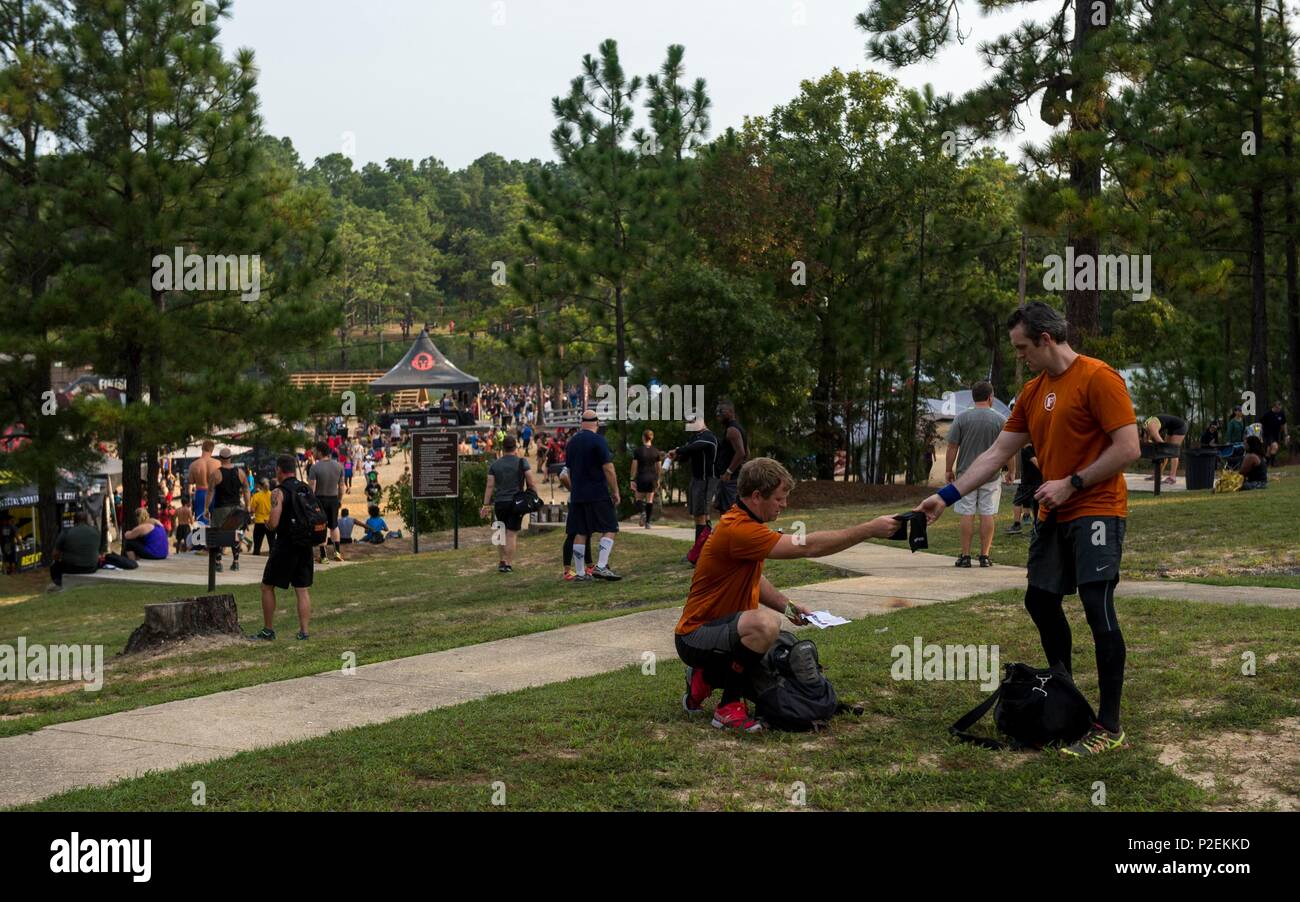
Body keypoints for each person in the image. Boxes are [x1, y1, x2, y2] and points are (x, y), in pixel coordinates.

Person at [915, 301, 1141, 757]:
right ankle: (1066, 693)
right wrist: (946, 496)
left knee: (1099, 609)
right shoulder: (1033, 393)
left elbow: (1128, 447)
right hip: (1053, 514)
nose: (1019, 357)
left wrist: (1072, 482)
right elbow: (996, 454)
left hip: (1096, 508)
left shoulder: (1099, 378)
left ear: (1046, 339)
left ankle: (1109, 726)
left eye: (1022, 348)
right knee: (1040, 599)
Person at [677, 457, 900, 731]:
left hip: (724, 631)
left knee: (779, 647)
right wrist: (868, 530)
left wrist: (788, 607)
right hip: (695, 636)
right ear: (757, 496)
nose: (784, 505)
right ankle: (727, 707)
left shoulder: (745, 522)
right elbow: (808, 547)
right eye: (780, 499)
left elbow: (755, 578)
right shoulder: (739, 530)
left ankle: (705, 678)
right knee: (765, 625)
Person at [945, 381, 1010, 566]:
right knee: (987, 513)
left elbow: (952, 446)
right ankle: (985, 556)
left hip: (966, 474)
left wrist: (948, 469)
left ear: (974, 397)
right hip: (991, 474)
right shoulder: (1000, 420)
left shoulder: (961, 418)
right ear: (991, 397)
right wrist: (1011, 470)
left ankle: (965, 556)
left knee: (967, 513)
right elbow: (1007, 448)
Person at [254, 454, 314, 641]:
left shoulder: (278, 492)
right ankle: (304, 632)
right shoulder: (305, 488)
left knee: (267, 586)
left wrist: (268, 525)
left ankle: (268, 630)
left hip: (286, 544)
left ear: (279, 470)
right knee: (302, 589)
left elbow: (274, 522)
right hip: (305, 545)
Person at [563, 410, 622, 581]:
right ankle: (602, 566)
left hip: (577, 494)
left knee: (580, 531)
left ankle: (581, 573)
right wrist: (616, 491)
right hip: (597, 492)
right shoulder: (599, 440)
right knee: (610, 527)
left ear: (581, 423)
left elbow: (568, 471)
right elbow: (608, 468)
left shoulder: (571, 442)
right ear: (596, 423)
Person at [481, 435, 540, 573]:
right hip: (516, 502)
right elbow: (531, 482)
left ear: (503, 448)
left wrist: (486, 505)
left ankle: (501, 561)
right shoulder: (522, 462)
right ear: (515, 447)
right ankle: (508, 564)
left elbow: (489, 486)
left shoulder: (495, 464)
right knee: (511, 533)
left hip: (500, 502)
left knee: (501, 531)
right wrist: (535, 497)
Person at [669, 417, 720, 559]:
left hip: (707, 480)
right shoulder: (695, 438)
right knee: (702, 515)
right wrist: (676, 456)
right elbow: (686, 454)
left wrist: (678, 450)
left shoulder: (708, 437)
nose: (690, 424)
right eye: (688, 422)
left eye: (692, 421)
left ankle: (699, 554)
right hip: (697, 479)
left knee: (700, 515)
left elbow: (693, 448)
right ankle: (705, 550)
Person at [209, 447, 250, 572]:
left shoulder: (216, 473)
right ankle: (236, 562)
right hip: (236, 507)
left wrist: (206, 508)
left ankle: (218, 562)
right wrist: (247, 505)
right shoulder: (240, 472)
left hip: (221, 508)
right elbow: (246, 489)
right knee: (235, 534)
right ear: (231, 458)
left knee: (218, 534)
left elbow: (210, 492)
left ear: (220, 459)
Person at [308, 441, 346, 564]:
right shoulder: (339, 466)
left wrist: (310, 503)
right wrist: (339, 499)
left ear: (319, 451)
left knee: (321, 526)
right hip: (333, 498)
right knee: (334, 525)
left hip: (319, 500)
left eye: (315, 451)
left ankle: (324, 556)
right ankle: (337, 552)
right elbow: (341, 487)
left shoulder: (315, 467)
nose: (313, 453)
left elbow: (312, 488)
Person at [46, 510, 102, 592]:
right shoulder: (96, 532)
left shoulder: (66, 532)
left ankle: (59, 584)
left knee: (54, 566)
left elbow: (55, 554)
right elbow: (98, 550)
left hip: (71, 568)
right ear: (87, 520)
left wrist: (62, 557)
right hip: (92, 567)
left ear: (74, 520)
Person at [713, 400, 748, 515]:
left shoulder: (732, 430)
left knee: (728, 513)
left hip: (730, 479)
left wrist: (729, 471)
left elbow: (741, 453)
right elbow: (747, 453)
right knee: (729, 511)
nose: (718, 414)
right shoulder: (738, 429)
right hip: (734, 478)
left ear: (730, 412)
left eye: (721, 411)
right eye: (717, 412)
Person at [1006, 441, 1042, 536]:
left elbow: (1036, 462)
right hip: (1036, 481)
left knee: (1017, 501)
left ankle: (1017, 525)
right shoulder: (1037, 447)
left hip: (1028, 483)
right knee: (1035, 505)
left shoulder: (1027, 449)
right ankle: (1036, 528)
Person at [1140, 414, 1188, 484]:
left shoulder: (1151, 429)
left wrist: (1149, 443)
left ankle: (1172, 477)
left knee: (1173, 450)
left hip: (1180, 426)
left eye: (1143, 439)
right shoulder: (1145, 427)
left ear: (1144, 434)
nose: (1144, 441)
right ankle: (1158, 475)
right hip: (1171, 427)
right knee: (1164, 452)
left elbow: (1162, 444)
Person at [187, 439, 220, 529]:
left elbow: (191, 481)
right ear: (212, 450)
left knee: (201, 522)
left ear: (202, 448)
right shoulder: (218, 463)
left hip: (201, 493)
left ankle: (202, 541)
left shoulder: (193, 465)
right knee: (216, 520)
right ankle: (215, 541)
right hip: (214, 492)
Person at [250, 479, 274, 555]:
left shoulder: (256, 496)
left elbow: (252, 510)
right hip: (270, 523)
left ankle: (256, 559)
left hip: (259, 523)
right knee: (272, 545)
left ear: (261, 486)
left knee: (257, 546)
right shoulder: (273, 495)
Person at [1260, 400, 1288, 465]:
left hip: (1276, 434)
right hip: (1268, 434)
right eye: (1278, 408)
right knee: (1275, 446)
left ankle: (1266, 464)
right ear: (1274, 407)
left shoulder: (1281, 413)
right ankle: (1273, 464)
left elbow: (1284, 424)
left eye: (1280, 408)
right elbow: (1260, 423)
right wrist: (1260, 434)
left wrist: (1286, 434)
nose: (1279, 410)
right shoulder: (1267, 414)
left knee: (1269, 450)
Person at [0, 511, 17, 575]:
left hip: (5, 545)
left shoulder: (2, 528)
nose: (13, 521)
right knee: (11, 559)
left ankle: (8, 571)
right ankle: (11, 572)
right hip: (10, 545)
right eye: (12, 520)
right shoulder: (12, 527)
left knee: (7, 558)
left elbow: (1, 537)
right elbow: (16, 536)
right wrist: (20, 543)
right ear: (9, 520)